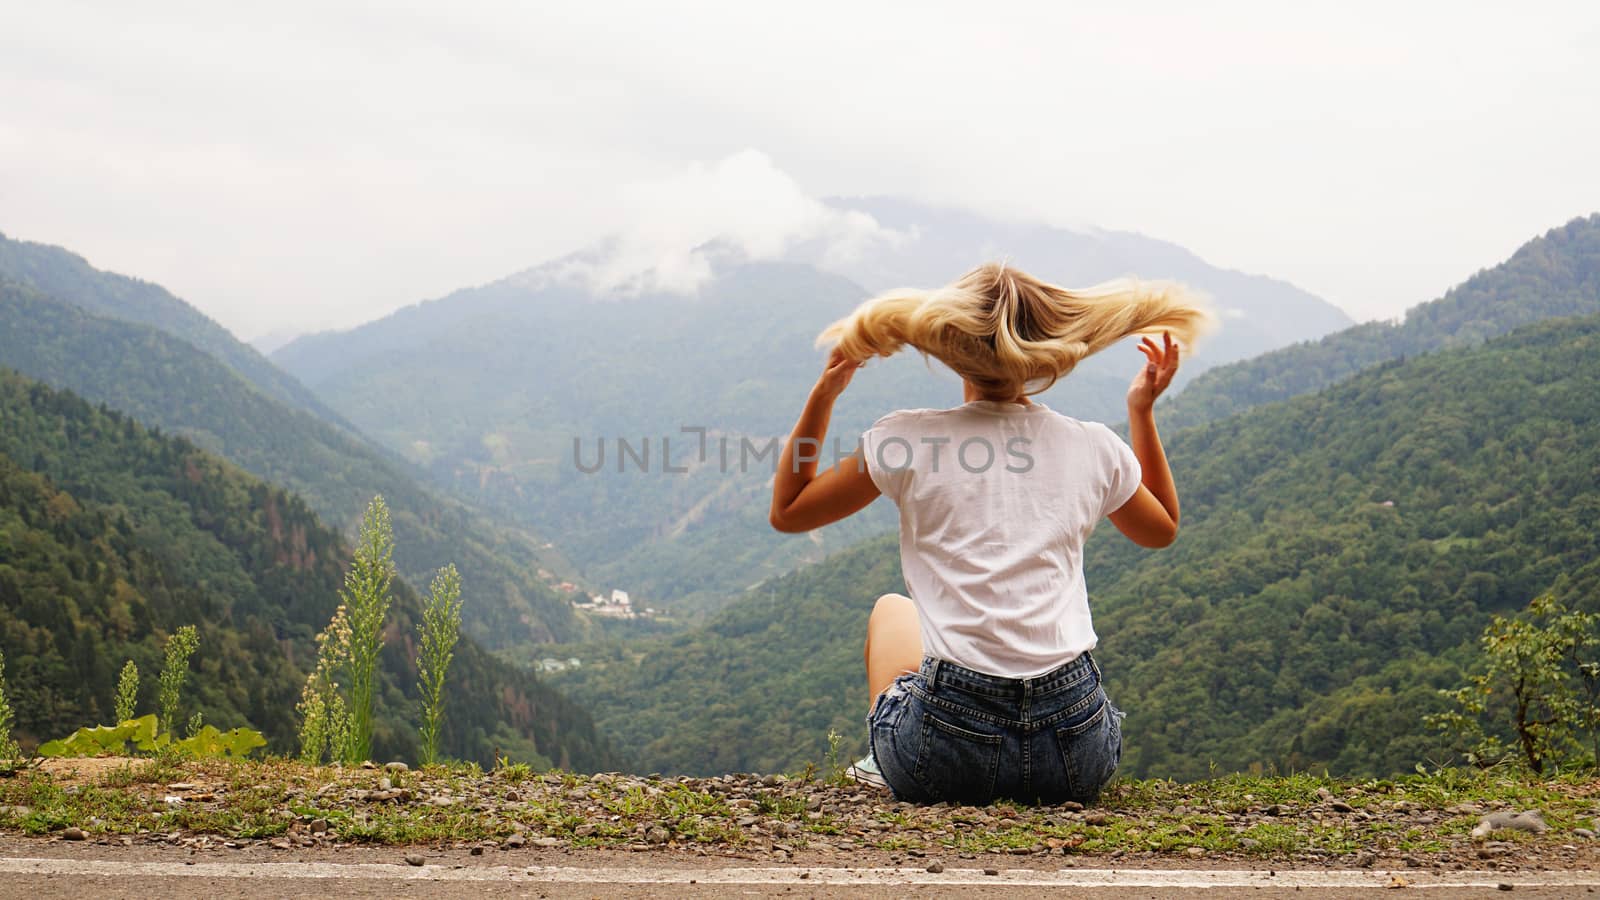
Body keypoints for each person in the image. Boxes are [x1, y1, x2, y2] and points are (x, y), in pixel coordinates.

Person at [767, 262, 1212, 805]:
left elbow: (789, 511)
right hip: (1076, 756)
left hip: (943, 756)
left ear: (948, 345)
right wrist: (1141, 411)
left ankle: (881, 765)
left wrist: (824, 394)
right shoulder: (1094, 446)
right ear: (1048, 349)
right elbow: (1161, 529)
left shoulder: (907, 439)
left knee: (892, 610)